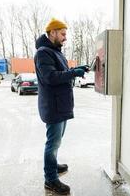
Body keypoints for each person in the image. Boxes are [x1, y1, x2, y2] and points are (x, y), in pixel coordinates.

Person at [34, 18, 89, 195]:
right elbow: (51, 77)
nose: (65, 38)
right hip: (53, 106)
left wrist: (75, 68)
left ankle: (53, 165)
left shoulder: (54, 51)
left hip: (61, 105)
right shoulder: (43, 53)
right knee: (52, 143)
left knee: (57, 142)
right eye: (63, 34)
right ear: (52, 32)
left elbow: (61, 72)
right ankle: (50, 180)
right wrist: (73, 72)